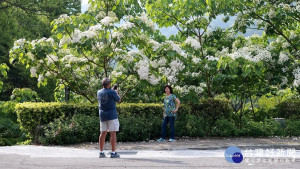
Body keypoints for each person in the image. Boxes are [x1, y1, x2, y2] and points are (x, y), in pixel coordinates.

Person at [97, 78, 121, 158]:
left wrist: (113, 91)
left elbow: (106, 95)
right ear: (109, 84)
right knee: (113, 133)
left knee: (103, 133)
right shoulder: (112, 92)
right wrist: (116, 93)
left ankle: (101, 152)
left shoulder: (99, 92)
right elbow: (119, 100)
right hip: (112, 115)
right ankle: (113, 152)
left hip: (102, 115)